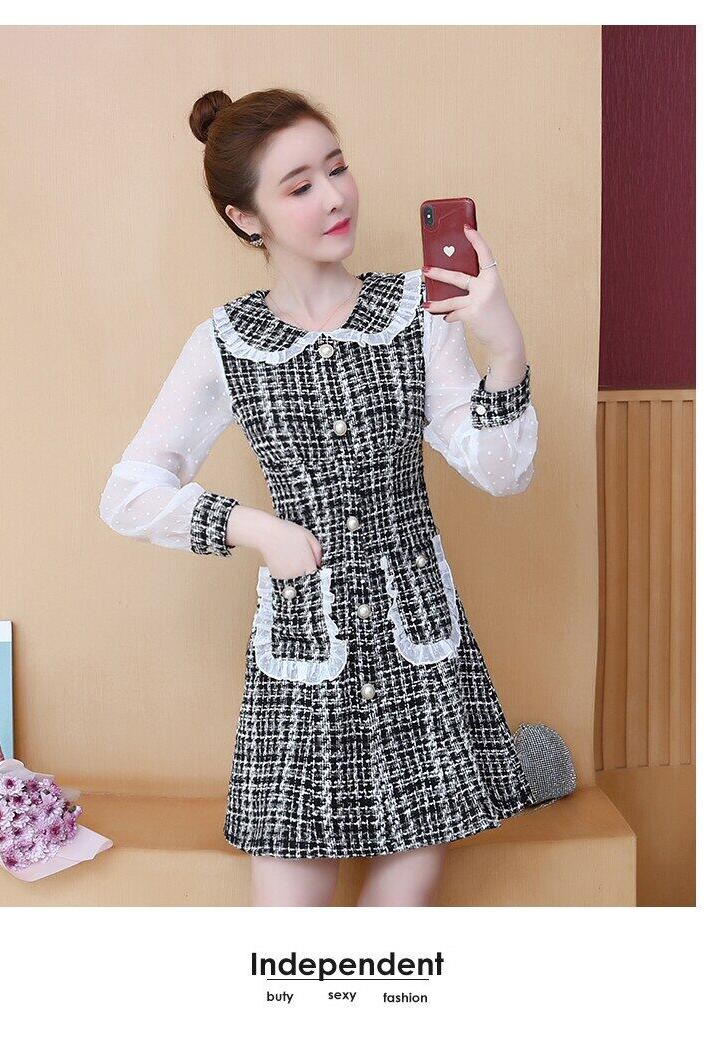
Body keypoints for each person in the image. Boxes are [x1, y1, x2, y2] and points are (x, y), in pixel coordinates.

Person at [99, 87, 539, 907]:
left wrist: (505, 346)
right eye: (300, 185)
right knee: (291, 949)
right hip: (303, 663)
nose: (335, 197)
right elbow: (127, 493)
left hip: (421, 661)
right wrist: (252, 527)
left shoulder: (416, 313)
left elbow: (500, 470)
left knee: (391, 929)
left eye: (337, 169)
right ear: (245, 217)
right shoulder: (226, 342)